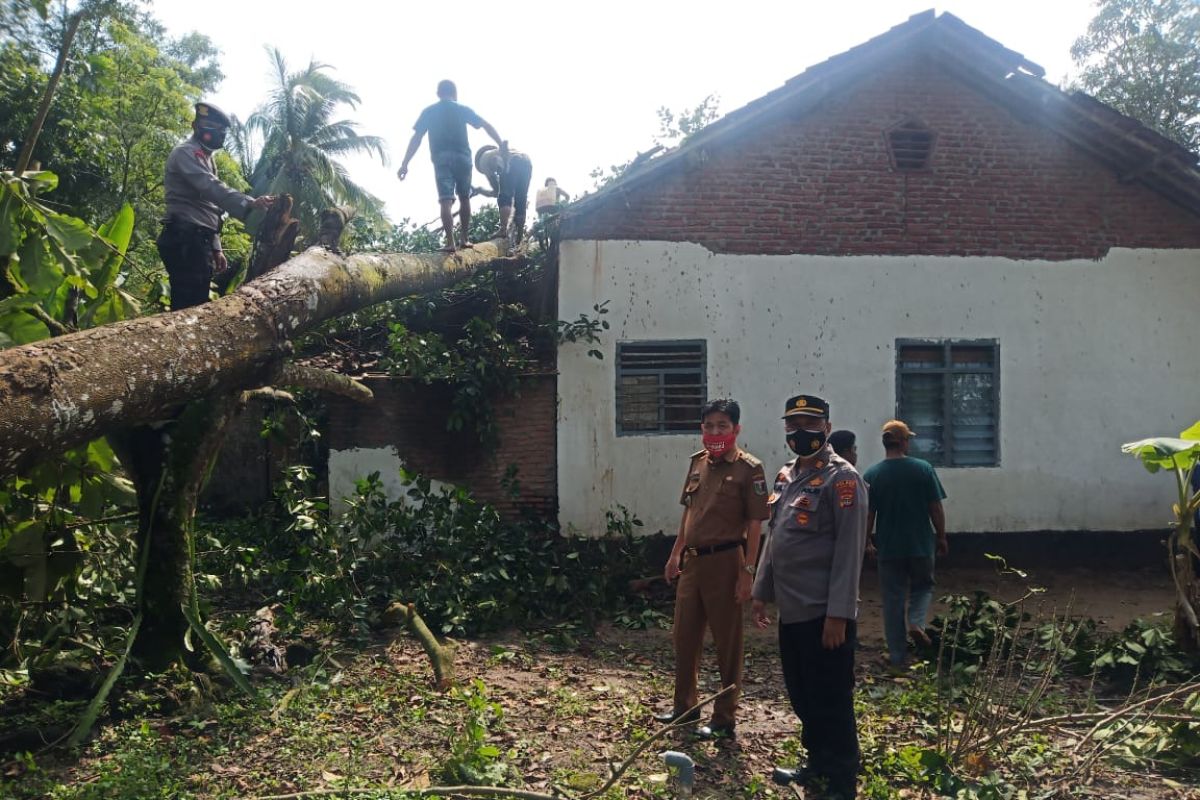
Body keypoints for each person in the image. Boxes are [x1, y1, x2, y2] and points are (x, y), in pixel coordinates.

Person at [752, 394, 867, 800]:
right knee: (802, 694)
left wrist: (839, 614)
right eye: (793, 424)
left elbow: (849, 553)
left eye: (810, 424)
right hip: (792, 609)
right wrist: (761, 591)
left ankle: (841, 779)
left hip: (823, 613)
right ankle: (816, 763)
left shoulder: (844, 479)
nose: (800, 432)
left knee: (831, 697)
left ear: (827, 429)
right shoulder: (786, 474)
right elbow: (775, 539)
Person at [654, 398, 769, 740]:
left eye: (722, 425)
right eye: (709, 425)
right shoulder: (697, 464)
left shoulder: (750, 469)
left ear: (736, 429)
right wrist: (676, 555)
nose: (715, 431)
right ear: (701, 429)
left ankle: (724, 717)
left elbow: (754, 525)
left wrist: (748, 572)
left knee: (727, 643)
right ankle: (684, 707)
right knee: (684, 637)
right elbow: (689, 514)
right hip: (693, 562)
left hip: (726, 562)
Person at [158, 101, 274, 310]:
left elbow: (210, 206)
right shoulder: (186, 152)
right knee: (187, 307)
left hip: (197, 239)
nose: (216, 133)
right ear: (195, 125)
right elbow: (211, 188)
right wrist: (249, 202)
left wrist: (215, 247)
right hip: (185, 237)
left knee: (195, 304)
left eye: (221, 130)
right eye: (210, 126)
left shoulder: (206, 158)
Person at [862, 419, 948, 669]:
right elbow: (936, 507)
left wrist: (867, 541)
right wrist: (941, 536)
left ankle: (898, 657)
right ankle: (916, 623)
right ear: (903, 442)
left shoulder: (873, 475)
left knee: (892, 600)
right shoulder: (923, 469)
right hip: (920, 545)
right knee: (923, 586)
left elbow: (869, 514)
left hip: (889, 549)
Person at [397, 80, 505, 251]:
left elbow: (416, 138)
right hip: (463, 158)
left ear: (438, 93)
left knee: (445, 200)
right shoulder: (461, 109)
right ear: (454, 93)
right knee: (464, 198)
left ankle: (450, 242)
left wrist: (405, 164)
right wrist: (501, 144)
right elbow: (485, 125)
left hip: (441, 159)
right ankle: (464, 239)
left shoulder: (429, 111)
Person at [474, 144, 533, 242]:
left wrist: (481, 190)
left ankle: (503, 229)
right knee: (521, 199)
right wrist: (481, 191)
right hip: (526, 162)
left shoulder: (483, 160)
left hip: (512, 162)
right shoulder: (501, 151)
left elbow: (498, 191)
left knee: (504, 197)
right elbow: (497, 191)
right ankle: (520, 237)